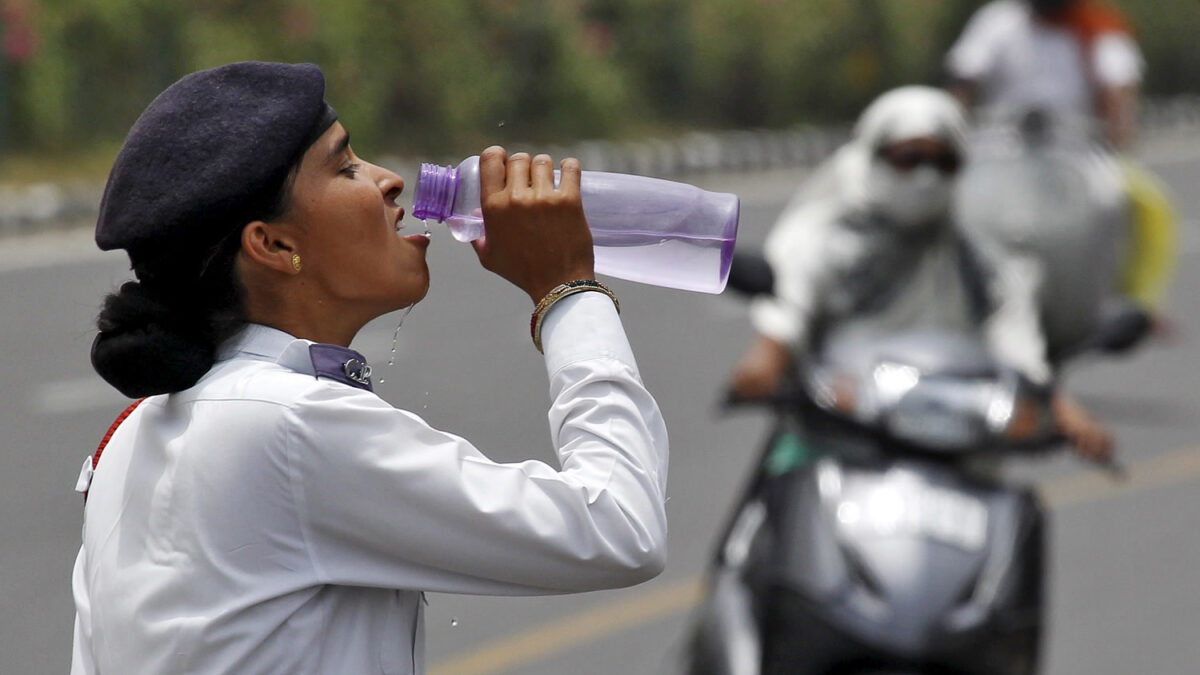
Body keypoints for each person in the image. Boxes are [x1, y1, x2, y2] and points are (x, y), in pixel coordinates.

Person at [70, 61, 669, 674]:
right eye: (346, 166)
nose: (389, 181)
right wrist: (568, 291)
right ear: (273, 245)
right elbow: (620, 528)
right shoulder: (288, 426)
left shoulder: (126, 440)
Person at [729, 85, 1111, 460]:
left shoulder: (975, 254)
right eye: (909, 158)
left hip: (947, 439)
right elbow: (787, 309)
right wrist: (764, 363)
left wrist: (1060, 409)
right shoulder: (825, 236)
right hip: (836, 432)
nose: (926, 178)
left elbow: (1016, 341)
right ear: (873, 156)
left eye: (943, 162)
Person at [945, 0, 1177, 332]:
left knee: (1150, 204)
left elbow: (1119, 87)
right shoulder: (998, 21)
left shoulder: (1098, 26)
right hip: (998, 151)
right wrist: (950, 128)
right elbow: (963, 77)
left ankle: (1139, 305)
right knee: (945, 203)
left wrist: (1119, 130)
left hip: (1077, 152)